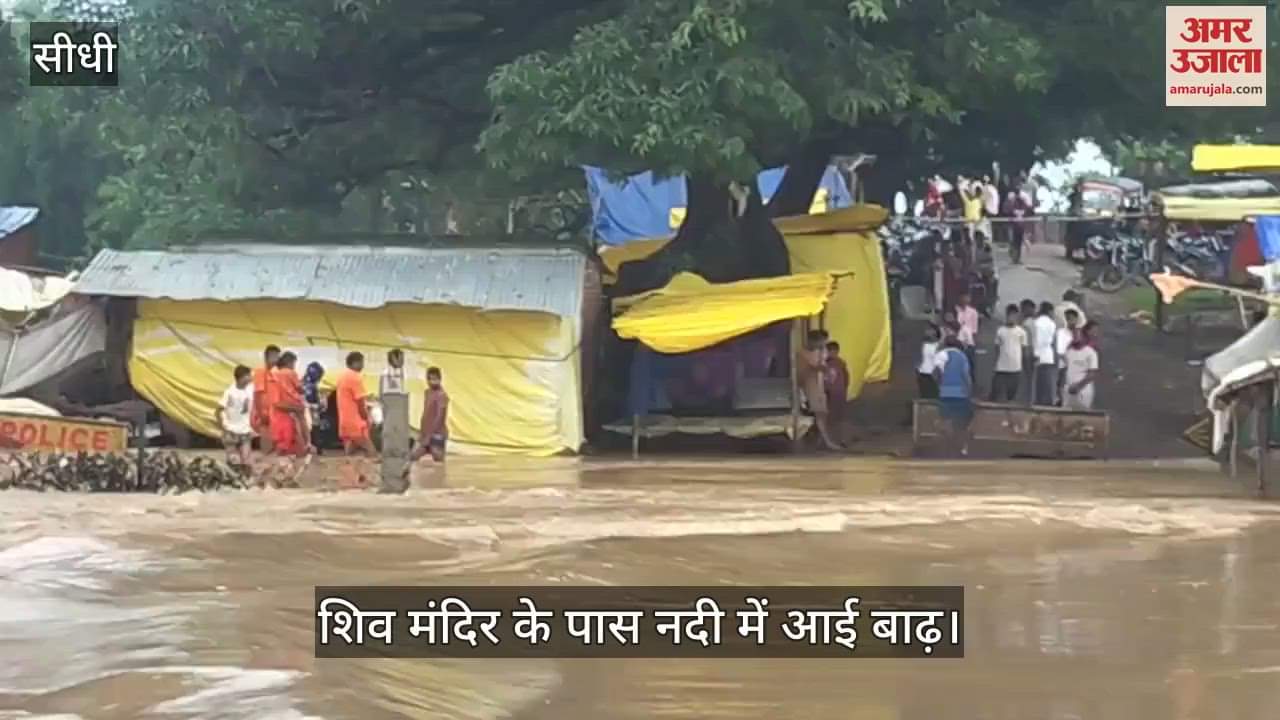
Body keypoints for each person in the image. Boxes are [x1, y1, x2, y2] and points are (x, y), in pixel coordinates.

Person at [268, 351, 308, 487]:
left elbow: (275, 401)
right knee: (298, 449)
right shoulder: (289, 373)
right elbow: (301, 389)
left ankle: (283, 477)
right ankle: (282, 478)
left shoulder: (273, 376)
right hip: (290, 415)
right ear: (290, 362)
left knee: (284, 449)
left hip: (278, 417)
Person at [335, 351, 374, 489]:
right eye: (362, 362)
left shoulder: (341, 377)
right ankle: (367, 480)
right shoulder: (355, 378)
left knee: (351, 453)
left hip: (344, 422)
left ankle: (351, 481)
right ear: (355, 363)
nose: (363, 365)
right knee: (371, 452)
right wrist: (367, 417)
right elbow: (360, 402)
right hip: (356, 422)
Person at [797, 330, 840, 450]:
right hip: (807, 386)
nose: (822, 345)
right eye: (821, 342)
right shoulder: (803, 353)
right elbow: (816, 366)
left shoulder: (819, 351)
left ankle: (821, 441)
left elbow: (822, 364)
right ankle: (826, 442)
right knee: (819, 413)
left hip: (818, 385)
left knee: (822, 413)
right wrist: (827, 370)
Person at [933, 335, 974, 456]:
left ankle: (946, 447)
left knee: (945, 420)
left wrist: (940, 384)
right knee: (962, 423)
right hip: (961, 394)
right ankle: (963, 448)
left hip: (945, 394)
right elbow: (966, 376)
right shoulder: (962, 356)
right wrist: (969, 392)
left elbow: (935, 373)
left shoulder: (941, 354)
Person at [216, 364, 255, 474]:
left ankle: (246, 483)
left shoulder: (250, 390)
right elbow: (218, 410)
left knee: (247, 461)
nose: (251, 378)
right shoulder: (229, 392)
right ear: (242, 377)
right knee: (234, 462)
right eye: (248, 375)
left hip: (245, 431)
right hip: (231, 431)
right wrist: (224, 428)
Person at [410, 366, 450, 466]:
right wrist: (422, 432)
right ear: (427, 380)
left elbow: (440, 417)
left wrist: (430, 435)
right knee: (413, 457)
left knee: (439, 463)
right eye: (431, 379)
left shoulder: (442, 395)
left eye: (435, 378)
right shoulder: (427, 392)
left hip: (437, 434)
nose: (433, 381)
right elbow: (426, 413)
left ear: (440, 379)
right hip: (425, 433)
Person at [990, 304, 1027, 403]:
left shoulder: (1021, 332)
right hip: (1001, 366)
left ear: (1017, 317)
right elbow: (997, 348)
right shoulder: (1000, 331)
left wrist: (1022, 364)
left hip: (1015, 367)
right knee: (996, 390)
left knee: (1012, 393)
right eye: (1010, 315)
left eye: (1014, 316)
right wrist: (996, 363)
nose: (1012, 318)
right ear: (1006, 316)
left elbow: (1023, 349)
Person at [1062, 325, 1100, 410]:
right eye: (1073, 334)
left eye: (1077, 334)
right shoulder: (1068, 352)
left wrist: (1078, 386)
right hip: (1068, 390)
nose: (1075, 336)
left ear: (1083, 336)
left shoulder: (1091, 353)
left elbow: (1092, 374)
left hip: (1083, 391)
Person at [252, 345, 281, 452]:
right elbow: (257, 394)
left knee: (275, 448)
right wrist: (261, 414)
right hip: (265, 416)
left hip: (275, 415)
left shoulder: (274, 374)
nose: (277, 359)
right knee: (267, 448)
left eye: (278, 356)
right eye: (274, 356)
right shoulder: (260, 373)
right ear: (266, 357)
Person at [1032, 302, 1059, 406]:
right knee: (1047, 386)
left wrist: (1036, 353)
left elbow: (1036, 340)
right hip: (1048, 357)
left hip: (1037, 356)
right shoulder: (1052, 324)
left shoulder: (1036, 322)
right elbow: (1052, 341)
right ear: (1049, 311)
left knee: (1037, 386)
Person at [1055, 309, 1082, 406]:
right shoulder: (1061, 333)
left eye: (1072, 319)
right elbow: (1059, 351)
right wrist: (1067, 362)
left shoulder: (1079, 333)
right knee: (1062, 387)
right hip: (1064, 366)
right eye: (1068, 319)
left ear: (1076, 319)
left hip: (1077, 366)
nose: (1070, 321)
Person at [825, 341, 851, 440]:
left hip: (837, 392)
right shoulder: (828, 363)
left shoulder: (839, 363)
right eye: (829, 351)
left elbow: (846, 377)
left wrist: (845, 387)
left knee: (837, 416)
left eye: (832, 351)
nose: (830, 354)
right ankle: (835, 437)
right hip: (833, 392)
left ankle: (839, 437)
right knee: (832, 415)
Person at [955, 292, 980, 381]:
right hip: (957, 342)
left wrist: (972, 343)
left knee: (970, 364)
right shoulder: (955, 311)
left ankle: (971, 383)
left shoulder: (973, 312)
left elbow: (974, 330)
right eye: (963, 297)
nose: (965, 299)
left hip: (969, 343)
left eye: (967, 297)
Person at [302, 362, 326, 449]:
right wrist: (319, 405)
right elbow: (308, 401)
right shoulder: (310, 386)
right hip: (310, 411)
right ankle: (316, 446)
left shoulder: (302, 382)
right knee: (315, 429)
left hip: (307, 411)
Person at [1019, 299, 1039, 403]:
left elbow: (1027, 342)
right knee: (1032, 380)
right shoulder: (1035, 322)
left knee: (1028, 379)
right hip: (1035, 354)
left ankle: (1028, 402)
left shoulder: (1026, 324)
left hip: (1029, 353)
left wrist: (1026, 356)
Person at [917, 324, 941, 399]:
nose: (927, 332)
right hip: (922, 374)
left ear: (935, 333)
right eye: (927, 330)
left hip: (932, 375)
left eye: (930, 330)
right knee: (925, 397)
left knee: (933, 397)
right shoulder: (925, 344)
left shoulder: (939, 346)